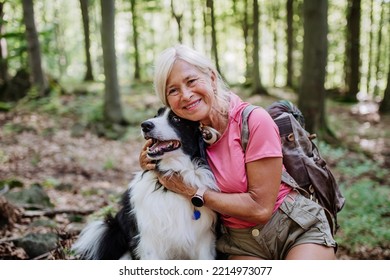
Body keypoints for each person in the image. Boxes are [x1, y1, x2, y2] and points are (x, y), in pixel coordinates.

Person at [139, 44, 337, 260]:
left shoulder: (253, 120)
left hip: (294, 227)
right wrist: (150, 162)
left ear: (212, 78)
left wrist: (193, 192)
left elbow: (260, 208)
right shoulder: (184, 134)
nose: (185, 95)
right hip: (241, 242)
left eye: (191, 81)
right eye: (173, 90)